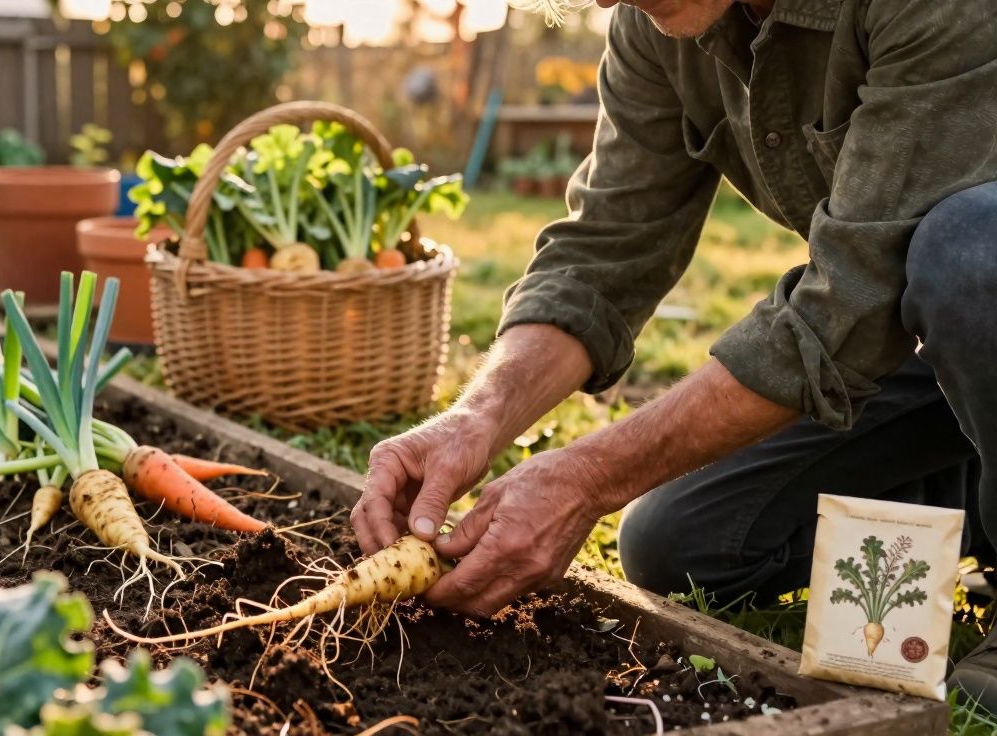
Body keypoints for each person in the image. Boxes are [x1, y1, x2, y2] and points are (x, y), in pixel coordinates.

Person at [349, 0, 997, 706]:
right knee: (683, 541)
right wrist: (475, 418)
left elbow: (852, 300)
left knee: (968, 251)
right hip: (937, 336)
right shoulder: (654, 26)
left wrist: (588, 476)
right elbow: (602, 258)